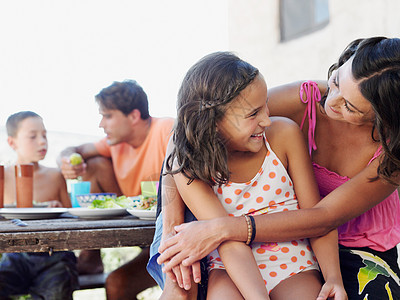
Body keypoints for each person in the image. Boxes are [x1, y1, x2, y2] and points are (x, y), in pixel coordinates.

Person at [154, 36, 400, 300]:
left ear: (384, 116)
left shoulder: (393, 152)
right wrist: (170, 232)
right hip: (236, 250)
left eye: (349, 106)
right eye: (337, 81)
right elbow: (184, 135)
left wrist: (222, 228)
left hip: (339, 242)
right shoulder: (301, 99)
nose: (332, 101)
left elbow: (323, 218)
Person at [58, 80, 174, 299]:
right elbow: (75, 150)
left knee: (117, 284)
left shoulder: (167, 130)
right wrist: (65, 159)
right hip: (138, 223)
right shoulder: (115, 142)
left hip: (170, 235)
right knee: (93, 164)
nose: (102, 124)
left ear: (133, 116)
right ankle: (90, 255)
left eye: (108, 116)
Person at [0, 111, 78, 300]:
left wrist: (59, 208)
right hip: (16, 255)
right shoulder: (4, 177)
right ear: (12, 142)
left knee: (57, 292)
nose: (42, 141)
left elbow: (73, 223)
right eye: (32, 137)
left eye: (44, 135)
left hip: (55, 257)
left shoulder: (55, 176)